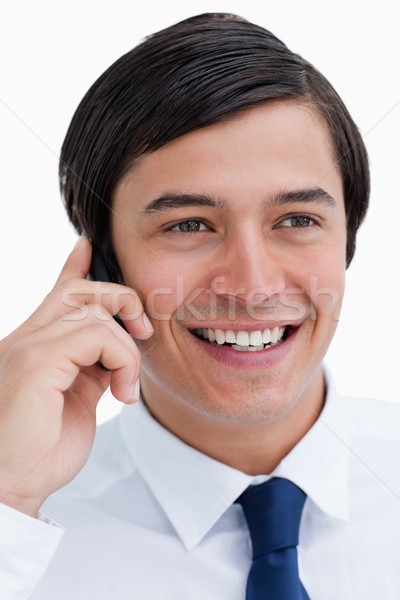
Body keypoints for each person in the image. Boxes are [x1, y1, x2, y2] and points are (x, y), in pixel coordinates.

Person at [1, 12, 399, 599]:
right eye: (189, 224)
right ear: (104, 265)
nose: (253, 284)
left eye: (296, 219)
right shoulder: (20, 524)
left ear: (348, 242)